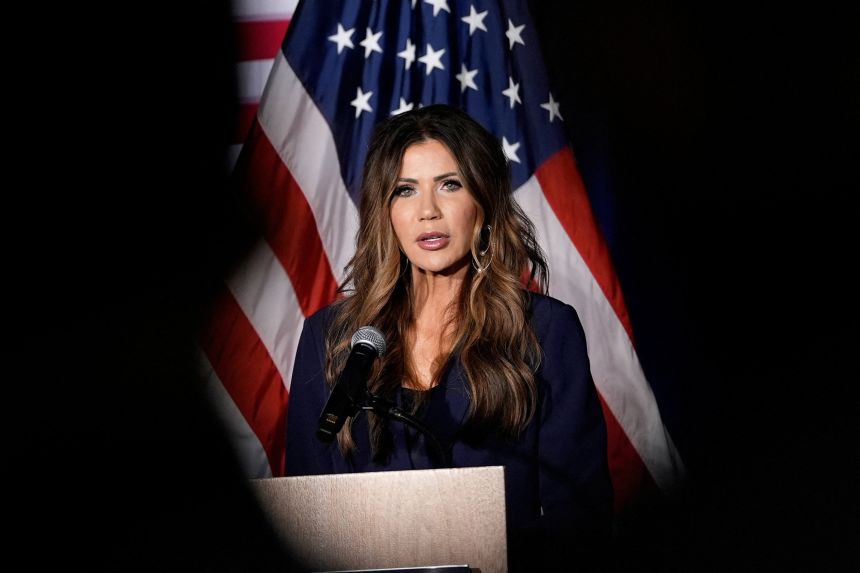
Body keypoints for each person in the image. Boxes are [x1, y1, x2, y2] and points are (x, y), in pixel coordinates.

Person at [285, 104, 613, 570]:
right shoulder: (331, 338)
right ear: (386, 211)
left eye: (450, 185)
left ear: (484, 201)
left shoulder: (544, 331)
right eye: (405, 190)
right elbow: (305, 514)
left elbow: (579, 520)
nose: (428, 211)